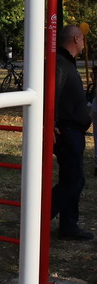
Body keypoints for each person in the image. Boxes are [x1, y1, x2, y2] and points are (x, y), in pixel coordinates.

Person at [51, 25, 94, 240]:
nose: (84, 43)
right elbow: (52, 94)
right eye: (83, 38)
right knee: (74, 180)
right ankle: (41, 215)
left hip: (72, 130)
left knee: (72, 178)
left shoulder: (66, 63)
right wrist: (50, 122)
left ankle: (68, 226)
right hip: (66, 131)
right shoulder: (59, 63)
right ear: (76, 38)